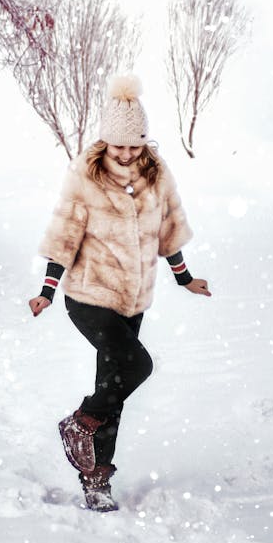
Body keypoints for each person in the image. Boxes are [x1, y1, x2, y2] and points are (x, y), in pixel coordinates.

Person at [29, 74, 211, 513]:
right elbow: (65, 234)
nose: (127, 154)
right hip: (89, 295)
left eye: (134, 146)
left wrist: (185, 278)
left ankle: (97, 480)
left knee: (112, 385)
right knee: (136, 365)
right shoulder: (85, 176)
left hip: (134, 299)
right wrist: (48, 290)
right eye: (119, 146)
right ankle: (81, 422)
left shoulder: (156, 174)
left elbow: (169, 228)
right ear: (105, 142)